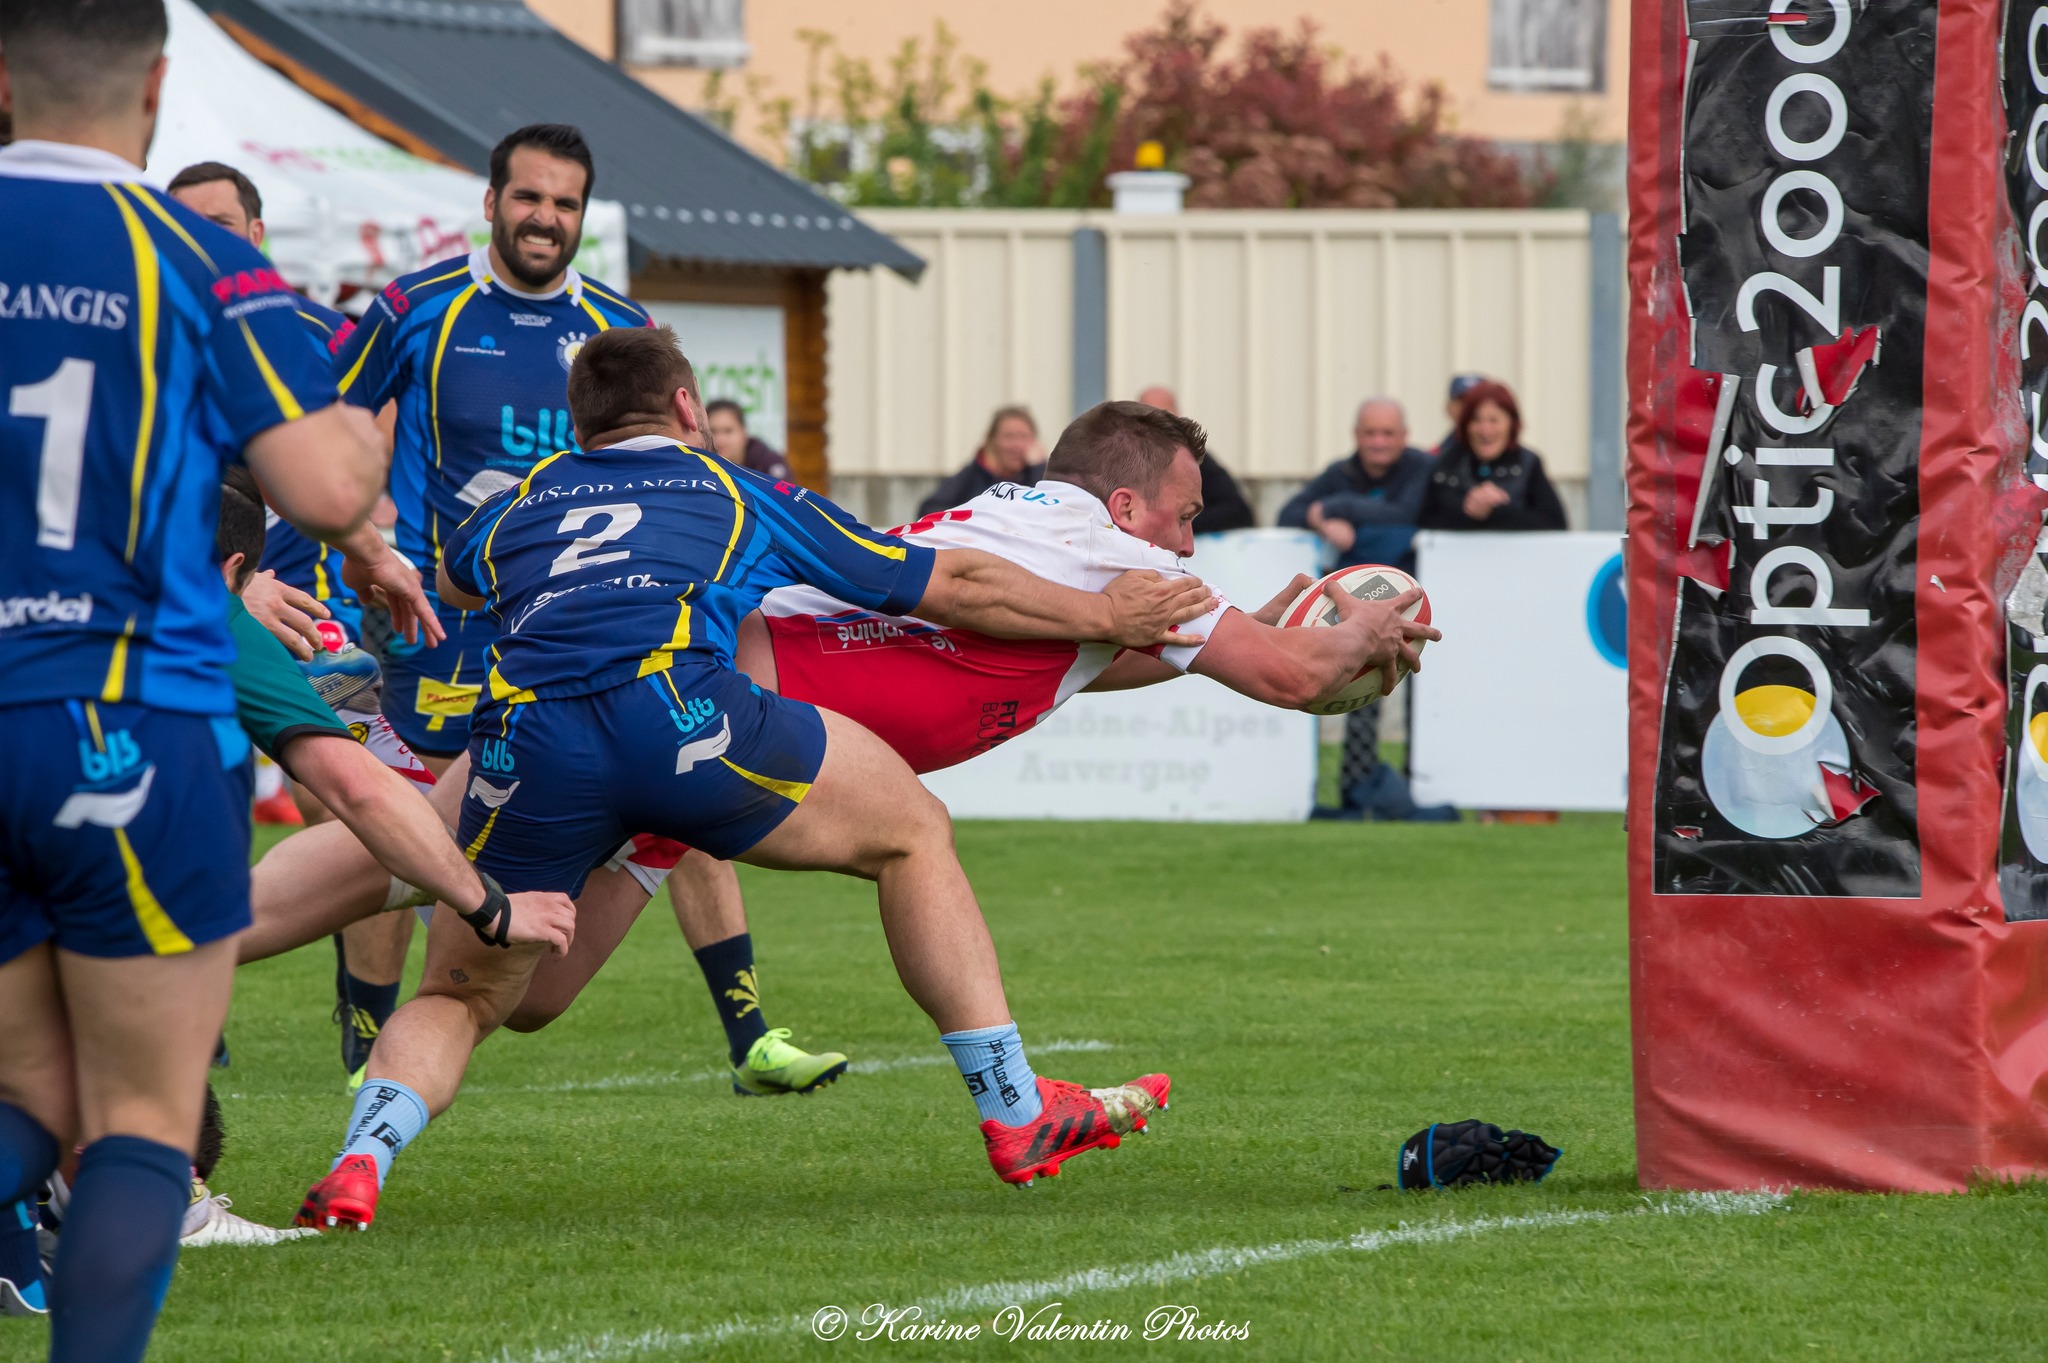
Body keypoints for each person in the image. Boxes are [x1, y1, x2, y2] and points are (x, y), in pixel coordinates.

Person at [291, 327, 1215, 1231]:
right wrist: (1098, 610)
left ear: (580, 424)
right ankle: (1015, 1106)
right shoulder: (735, 488)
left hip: (529, 746)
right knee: (913, 829)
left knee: (464, 994)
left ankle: (360, 1161)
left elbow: (456, 583)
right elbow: (945, 588)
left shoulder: (523, 498)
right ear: (689, 406)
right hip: (678, 723)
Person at [487, 400, 1438, 1037]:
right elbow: (1293, 681)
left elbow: (1074, 661)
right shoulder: (1107, 555)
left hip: (679, 719)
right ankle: (1013, 1105)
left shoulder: (1025, 520)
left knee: (531, 996)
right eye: (1183, 516)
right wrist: (1368, 627)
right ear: (1123, 506)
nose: (1190, 543)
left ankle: (399, 956)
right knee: (916, 841)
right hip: (704, 717)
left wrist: (1229, 655)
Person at [0, 0, 390, 1352]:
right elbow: (329, 489)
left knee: (31, 1088)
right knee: (137, 1119)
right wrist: (366, 421)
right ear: (161, 85)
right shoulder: (200, 259)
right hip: (129, 715)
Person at [167, 157, 407, 1084]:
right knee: (188, 815)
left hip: (311, 620)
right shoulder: (149, 333)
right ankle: (185, 1006)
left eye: (224, 223)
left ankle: (366, 1029)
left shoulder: (311, 334)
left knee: (358, 814)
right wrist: (230, 590)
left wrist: (373, 556)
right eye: (189, 225)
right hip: (195, 609)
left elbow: (362, 457)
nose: (209, 241)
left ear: (258, 235)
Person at [1278, 399, 1453, 822]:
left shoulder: (1421, 470)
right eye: (1370, 433)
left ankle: (1415, 786)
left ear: (1404, 436)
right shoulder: (1341, 473)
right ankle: (1354, 791)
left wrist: (1339, 512)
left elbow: (1404, 515)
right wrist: (1321, 519)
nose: (1378, 442)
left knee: (1423, 699)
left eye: (1387, 433)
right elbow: (1289, 512)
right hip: (1355, 618)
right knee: (1358, 694)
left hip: (1420, 612)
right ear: (1357, 435)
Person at [1419, 380, 1569, 532]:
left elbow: (1555, 523)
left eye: (1494, 420)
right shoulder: (1446, 463)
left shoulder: (1528, 463)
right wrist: (1469, 507)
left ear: (1511, 424)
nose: (1485, 430)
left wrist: (1497, 512)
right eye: (1476, 420)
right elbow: (1425, 520)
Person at [1136, 386, 1255, 534]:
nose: (1157, 427)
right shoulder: (1122, 463)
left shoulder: (1195, 461)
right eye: (1149, 418)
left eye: (1164, 417)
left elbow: (1237, 511)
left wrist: (1180, 521)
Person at [916, 405, 1044, 515]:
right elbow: (929, 509)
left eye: (1024, 437)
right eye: (1009, 437)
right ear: (992, 440)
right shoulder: (974, 474)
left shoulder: (1038, 473)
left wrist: (1039, 467)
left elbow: (1044, 511)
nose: (1017, 445)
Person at [704, 397, 790, 482]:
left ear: (743, 433)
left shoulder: (768, 464)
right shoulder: (698, 465)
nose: (720, 440)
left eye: (728, 431)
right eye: (713, 431)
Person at [1436, 373, 1486, 453]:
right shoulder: (1438, 457)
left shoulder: (1509, 456)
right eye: (1463, 401)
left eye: (1477, 400)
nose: (1470, 407)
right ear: (1449, 408)